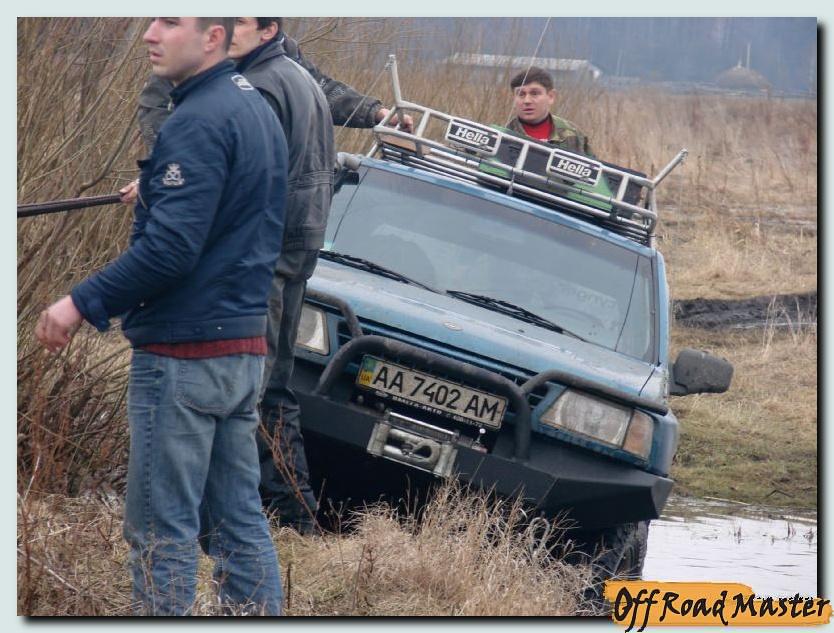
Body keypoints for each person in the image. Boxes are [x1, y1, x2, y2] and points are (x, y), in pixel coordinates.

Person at [36, 17, 288, 615]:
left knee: (161, 530)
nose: (150, 33)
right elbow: (228, 213)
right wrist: (159, 184)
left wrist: (79, 302)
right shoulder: (254, 109)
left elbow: (170, 252)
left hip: (185, 356)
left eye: (170, 21)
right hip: (241, 349)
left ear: (212, 38)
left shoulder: (196, 121)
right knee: (238, 524)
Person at [136, 17, 412, 153]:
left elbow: (321, 89)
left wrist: (377, 113)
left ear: (268, 31)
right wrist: (171, 166)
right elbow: (155, 108)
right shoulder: (193, 44)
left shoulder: (283, 52)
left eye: (239, 21)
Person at [506, 66, 593, 156]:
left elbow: (592, 164)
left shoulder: (573, 136)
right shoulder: (504, 137)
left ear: (551, 96)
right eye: (521, 94)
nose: (527, 101)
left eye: (534, 93)